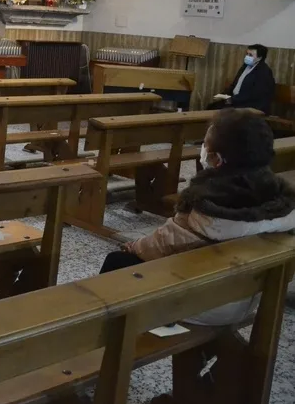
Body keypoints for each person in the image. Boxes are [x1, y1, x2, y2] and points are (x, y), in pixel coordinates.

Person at [99, 109, 295, 325]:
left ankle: (97, 341)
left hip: (201, 303)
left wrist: (133, 246)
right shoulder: (279, 202)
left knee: (116, 262)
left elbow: (162, 243)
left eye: (206, 144)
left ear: (217, 159)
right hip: (244, 300)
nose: (202, 149)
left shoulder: (207, 208)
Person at [209, 44, 275, 114]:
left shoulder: (264, 72)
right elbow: (234, 84)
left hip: (251, 105)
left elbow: (255, 95)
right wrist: (223, 95)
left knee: (221, 112)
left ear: (260, 58)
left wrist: (231, 100)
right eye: (247, 54)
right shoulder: (245, 66)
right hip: (237, 100)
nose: (247, 57)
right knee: (212, 106)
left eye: (250, 55)